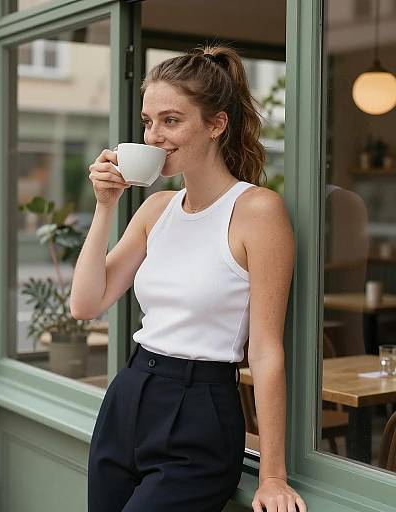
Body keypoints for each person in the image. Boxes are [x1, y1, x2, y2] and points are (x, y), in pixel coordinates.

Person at [71, 44, 307, 512]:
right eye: (147, 121)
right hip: (130, 396)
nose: (154, 136)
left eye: (171, 120)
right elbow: (85, 304)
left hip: (201, 410)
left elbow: (265, 350)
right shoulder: (156, 208)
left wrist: (273, 475)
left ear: (216, 124)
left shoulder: (256, 211)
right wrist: (104, 206)